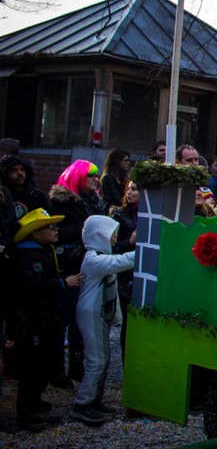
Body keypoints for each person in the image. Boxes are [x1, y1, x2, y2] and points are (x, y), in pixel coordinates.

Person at [9, 209, 83, 430]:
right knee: (32, 365)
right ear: (35, 233)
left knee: (42, 361)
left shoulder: (42, 251)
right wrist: (63, 283)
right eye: (50, 227)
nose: (55, 230)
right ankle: (26, 412)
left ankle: (35, 400)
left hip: (44, 316)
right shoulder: (28, 256)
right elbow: (33, 286)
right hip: (32, 318)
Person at [71, 215, 135, 425]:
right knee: (96, 360)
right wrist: (145, 252)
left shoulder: (99, 256)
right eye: (111, 234)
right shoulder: (94, 259)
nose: (115, 237)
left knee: (103, 357)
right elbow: (120, 262)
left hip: (99, 312)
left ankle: (94, 400)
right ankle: (83, 404)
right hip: (91, 313)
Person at [48, 160, 106, 386]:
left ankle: (76, 366)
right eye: (91, 175)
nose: (96, 179)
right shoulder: (61, 202)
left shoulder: (94, 201)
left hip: (88, 267)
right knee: (62, 321)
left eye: (97, 175)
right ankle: (56, 370)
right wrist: (84, 231)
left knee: (80, 322)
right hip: (68, 269)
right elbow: (55, 233)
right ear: (78, 177)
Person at [109, 180, 139, 358]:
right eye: (128, 189)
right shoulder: (119, 215)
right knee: (127, 322)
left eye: (134, 189)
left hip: (143, 272)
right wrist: (130, 241)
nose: (129, 192)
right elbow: (111, 248)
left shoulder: (149, 215)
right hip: (126, 275)